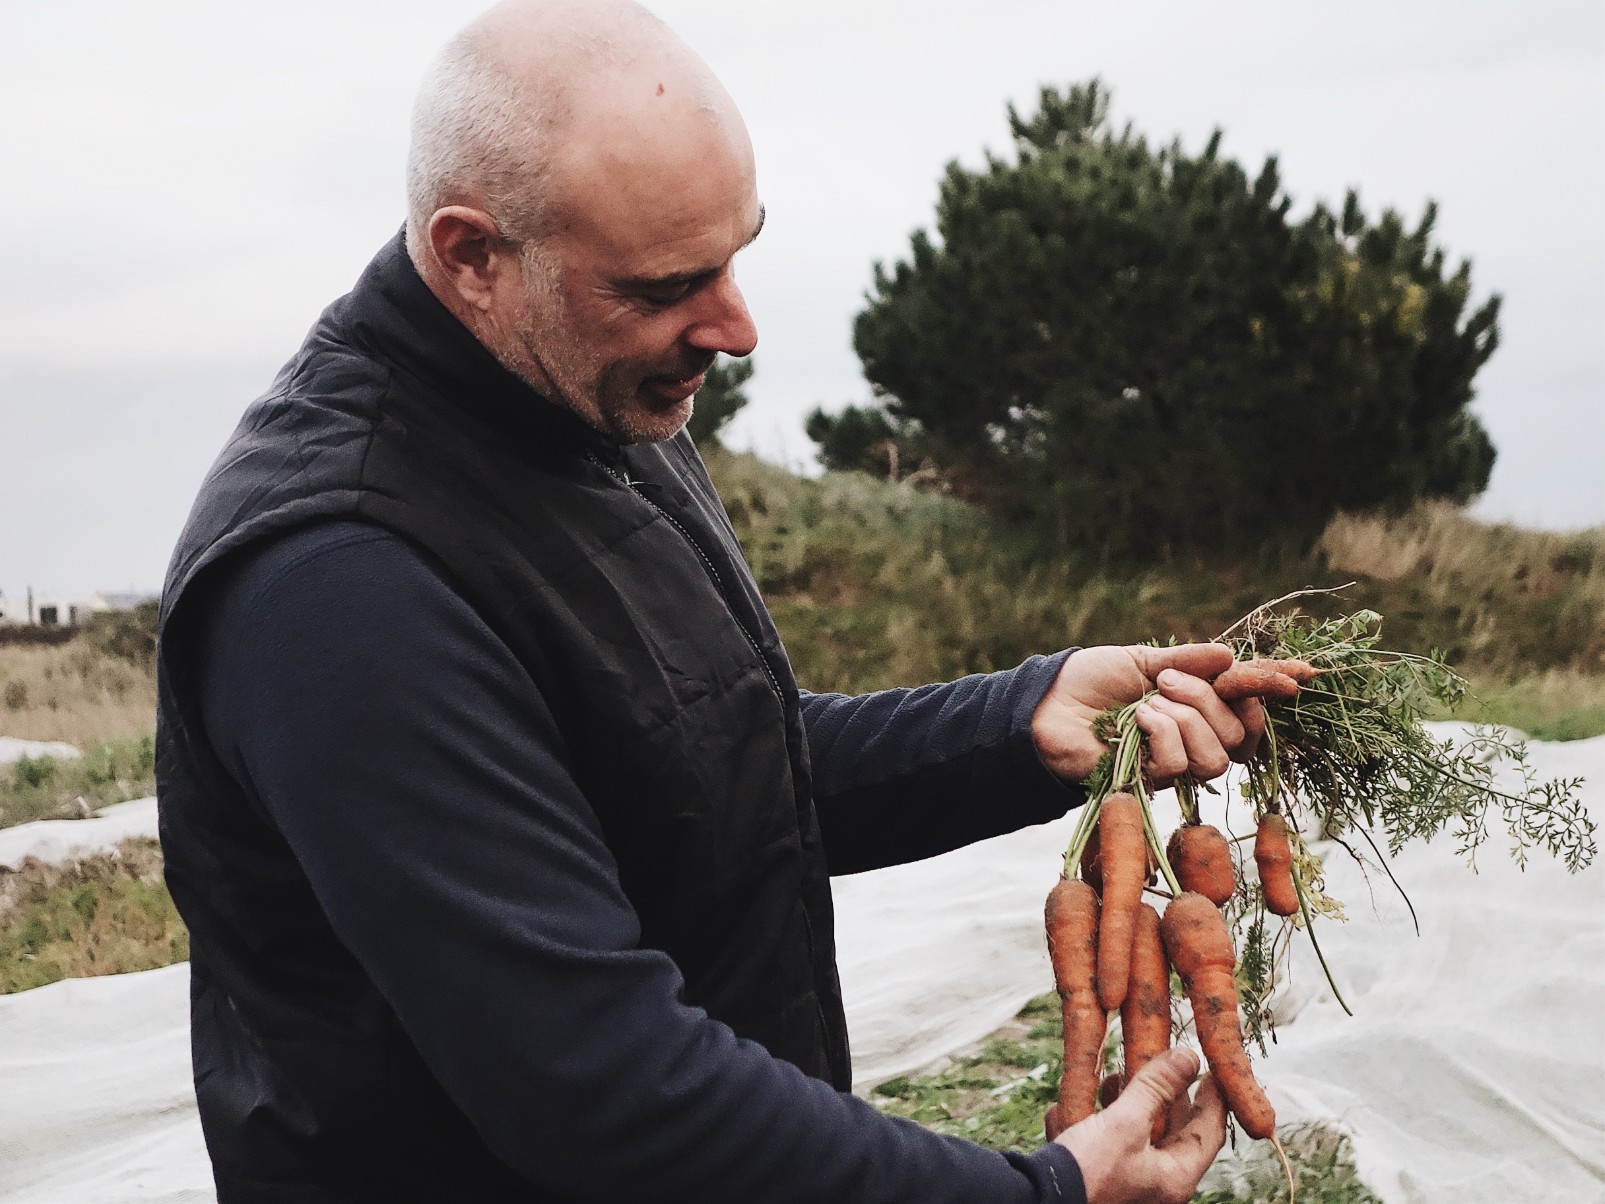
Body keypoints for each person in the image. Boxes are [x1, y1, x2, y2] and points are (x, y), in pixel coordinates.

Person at [156, 2, 1260, 1200]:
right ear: (474, 255)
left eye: (736, 254)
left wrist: (1014, 722)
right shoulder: (339, 587)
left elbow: (696, 763)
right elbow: (604, 1087)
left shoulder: (585, 393)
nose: (734, 325)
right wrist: (1038, 1192)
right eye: (669, 283)